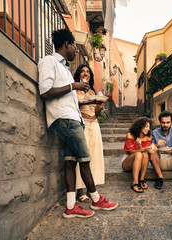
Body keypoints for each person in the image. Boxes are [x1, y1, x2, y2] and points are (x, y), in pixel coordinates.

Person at [38, 29, 117, 219]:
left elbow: (68, 98)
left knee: (70, 162)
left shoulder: (64, 68)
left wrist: (89, 101)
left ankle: (71, 206)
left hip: (72, 119)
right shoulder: (49, 61)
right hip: (65, 119)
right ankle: (96, 199)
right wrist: (74, 86)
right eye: (74, 46)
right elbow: (45, 92)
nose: (76, 50)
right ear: (66, 44)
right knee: (85, 159)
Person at [72, 64, 105, 203]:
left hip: (94, 124)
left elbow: (96, 114)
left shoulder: (92, 92)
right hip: (83, 124)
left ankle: (91, 189)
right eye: (82, 71)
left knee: (94, 157)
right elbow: (73, 105)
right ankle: (79, 190)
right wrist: (85, 101)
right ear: (78, 74)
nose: (85, 73)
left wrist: (99, 105)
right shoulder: (75, 90)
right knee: (82, 157)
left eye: (88, 72)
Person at [122, 117, 154, 193]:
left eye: (149, 127)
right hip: (128, 162)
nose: (148, 129)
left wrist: (142, 147)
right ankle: (135, 182)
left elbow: (145, 151)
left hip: (141, 160)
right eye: (146, 126)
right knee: (139, 154)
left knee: (145, 154)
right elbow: (129, 152)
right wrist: (140, 146)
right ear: (140, 126)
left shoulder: (148, 137)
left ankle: (142, 179)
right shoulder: (130, 135)